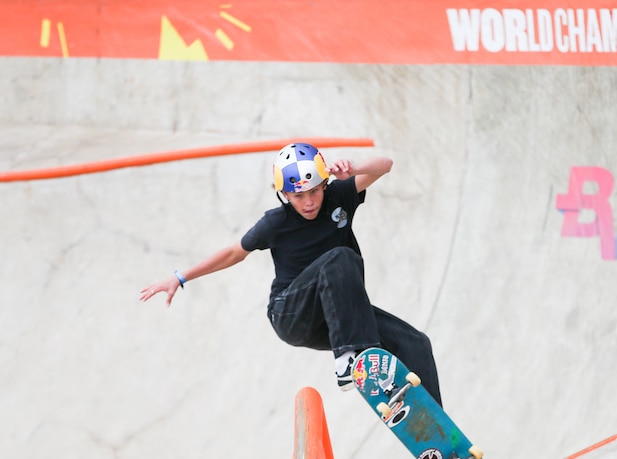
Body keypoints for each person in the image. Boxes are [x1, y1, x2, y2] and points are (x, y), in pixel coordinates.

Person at [139, 142, 442, 406]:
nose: (308, 202)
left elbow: (385, 166)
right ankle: (350, 360)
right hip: (291, 313)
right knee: (340, 258)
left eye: (313, 192)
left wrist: (353, 169)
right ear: (285, 194)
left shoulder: (339, 195)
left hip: (339, 317)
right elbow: (234, 253)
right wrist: (180, 277)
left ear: (324, 184)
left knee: (415, 342)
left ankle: (437, 435)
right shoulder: (275, 223)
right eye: (298, 197)